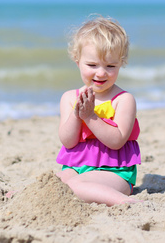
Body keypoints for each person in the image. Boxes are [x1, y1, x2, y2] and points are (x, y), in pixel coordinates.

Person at [56, 14, 142, 206]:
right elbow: (68, 141)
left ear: (121, 63)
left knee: (75, 187)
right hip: (76, 167)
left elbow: (117, 141)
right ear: (77, 60)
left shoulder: (124, 100)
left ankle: (124, 202)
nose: (101, 72)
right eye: (92, 65)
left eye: (110, 66)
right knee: (55, 182)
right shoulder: (69, 98)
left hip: (114, 173)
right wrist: (78, 114)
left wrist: (91, 116)